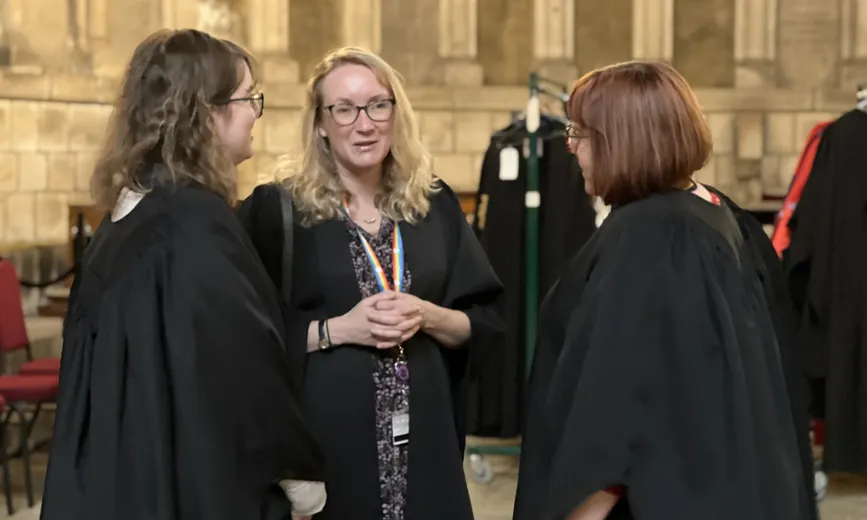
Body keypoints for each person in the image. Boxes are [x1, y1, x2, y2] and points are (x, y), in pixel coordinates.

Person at [41, 29, 326, 520]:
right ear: (206, 113)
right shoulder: (197, 222)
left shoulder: (125, 218)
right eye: (248, 98)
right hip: (189, 485)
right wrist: (298, 474)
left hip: (115, 481)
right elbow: (245, 365)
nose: (256, 113)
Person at [511, 61, 816, 520]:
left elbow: (623, 408)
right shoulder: (720, 213)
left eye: (580, 133)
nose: (570, 146)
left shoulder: (651, 235)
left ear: (622, 139)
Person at [237, 46, 504, 520]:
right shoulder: (278, 211)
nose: (365, 124)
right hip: (328, 453)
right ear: (320, 122)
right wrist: (338, 330)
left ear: (396, 112)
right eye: (345, 109)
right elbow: (242, 337)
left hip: (427, 452)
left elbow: (483, 324)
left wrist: (427, 315)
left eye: (378, 105)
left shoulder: (432, 205)